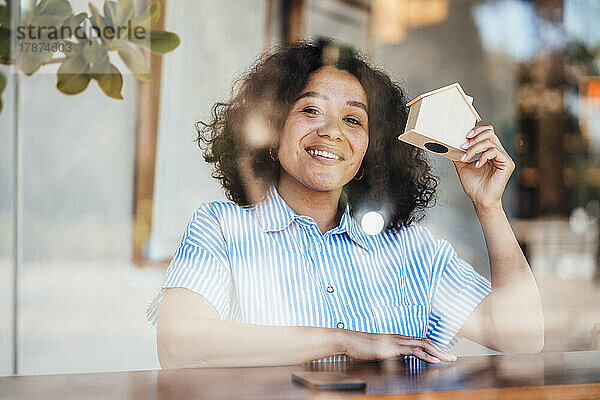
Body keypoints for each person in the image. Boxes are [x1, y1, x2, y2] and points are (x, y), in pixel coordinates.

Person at [146, 40, 544, 369]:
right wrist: (347, 341)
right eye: (310, 110)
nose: (332, 131)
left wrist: (488, 206)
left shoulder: (412, 249)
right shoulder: (220, 227)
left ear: (369, 154)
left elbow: (523, 337)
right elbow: (179, 347)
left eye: (354, 120)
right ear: (272, 132)